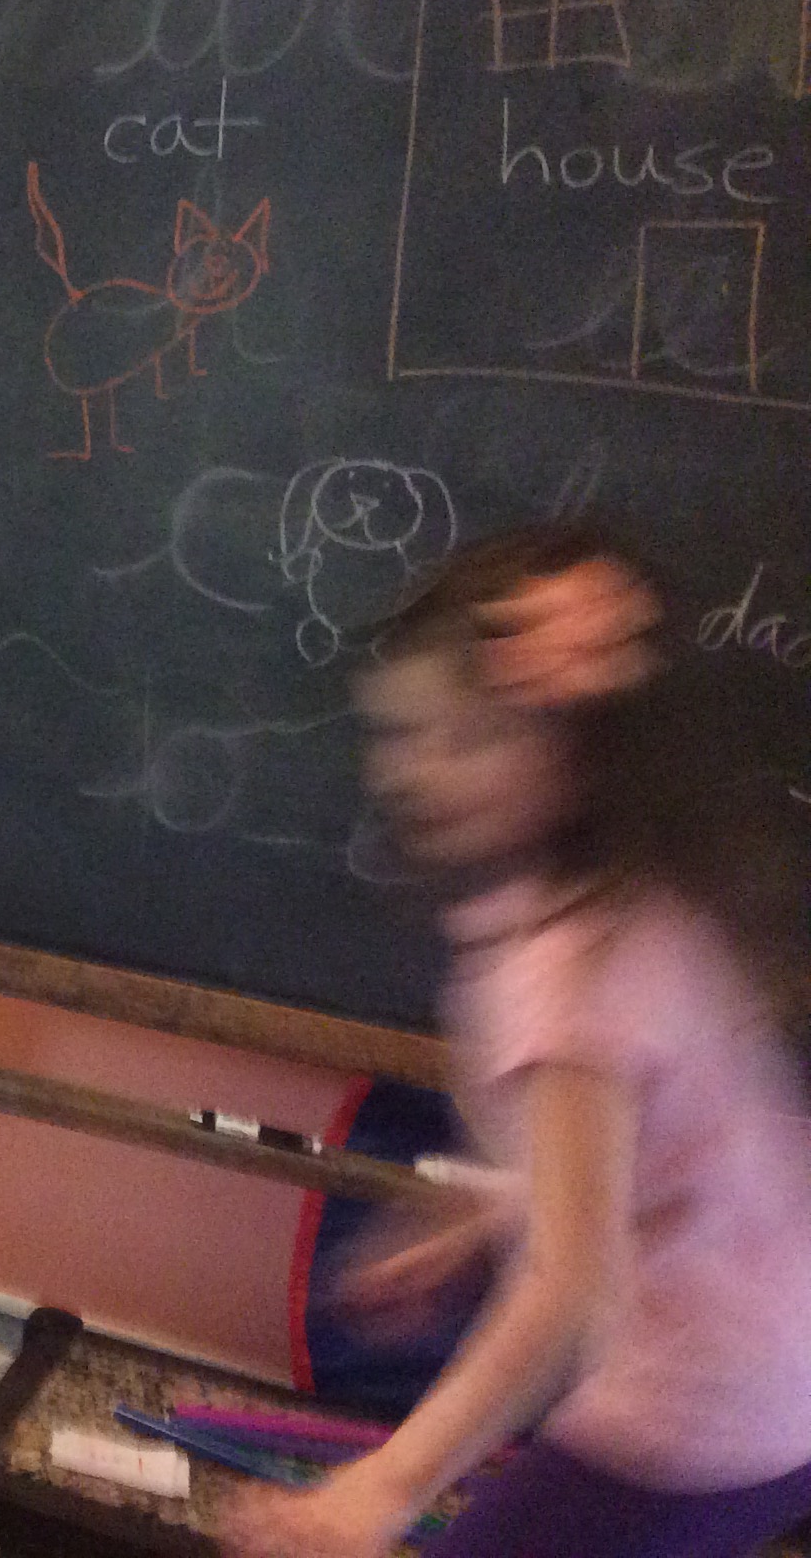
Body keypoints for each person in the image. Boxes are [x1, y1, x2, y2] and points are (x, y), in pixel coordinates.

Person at [224, 526, 811, 1558]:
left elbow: (569, 1283)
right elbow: (667, 1155)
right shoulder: (636, 907)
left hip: (704, 1409)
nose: (416, 773)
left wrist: (382, 1489)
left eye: (467, 741)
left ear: (575, 755)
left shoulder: (567, 981)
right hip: (781, 1372)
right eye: (404, 734)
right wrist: (489, 1216)